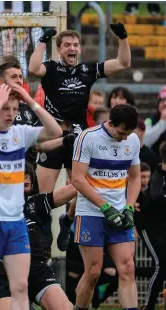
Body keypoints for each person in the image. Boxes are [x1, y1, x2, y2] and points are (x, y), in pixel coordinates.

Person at [29, 25, 132, 248]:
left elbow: (123, 63)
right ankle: (42, 235)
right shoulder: (51, 68)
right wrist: (43, 40)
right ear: (59, 50)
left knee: (82, 186)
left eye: (75, 45)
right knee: (44, 197)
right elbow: (33, 67)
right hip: (53, 135)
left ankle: (67, 221)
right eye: (67, 45)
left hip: (79, 137)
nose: (72, 48)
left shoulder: (88, 69)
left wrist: (123, 38)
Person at [0, 81, 61, 310]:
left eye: (14, 109)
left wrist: (29, 101)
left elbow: (55, 131)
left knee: (21, 286)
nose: (10, 114)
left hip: (15, 222)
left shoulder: (20, 134)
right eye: (5, 109)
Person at [71, 104, 140, 310]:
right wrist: (105, 207)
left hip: (120, 212)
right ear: (111, 123)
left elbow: (135, 178)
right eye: (121, 132)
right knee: (93, 272)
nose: (125, 138)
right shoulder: (88, 138)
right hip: (91, 212)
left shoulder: (132, 140)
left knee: (127, 268)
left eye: (128, 133)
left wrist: (128, 207)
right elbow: (77, 178)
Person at [137, 142, 166, 310]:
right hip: (150, 228)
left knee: (163, 266)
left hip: (162, 227)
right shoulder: (157, 177)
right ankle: (148, 305)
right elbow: (156, 198)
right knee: (160, 263)